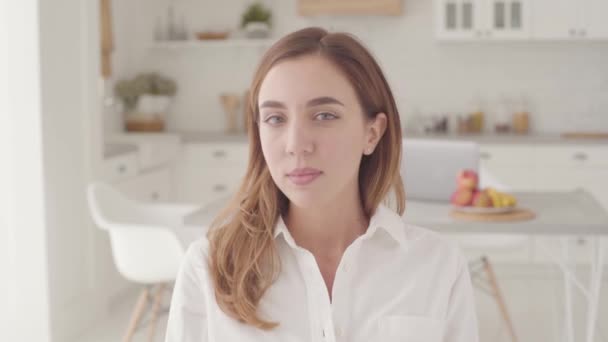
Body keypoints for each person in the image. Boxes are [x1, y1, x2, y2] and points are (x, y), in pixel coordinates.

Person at [165, 26, 479, 342]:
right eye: (275, 118)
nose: (296, 144)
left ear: (372, 132)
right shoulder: (208, 269)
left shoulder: (438, 265)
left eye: (324, 115)